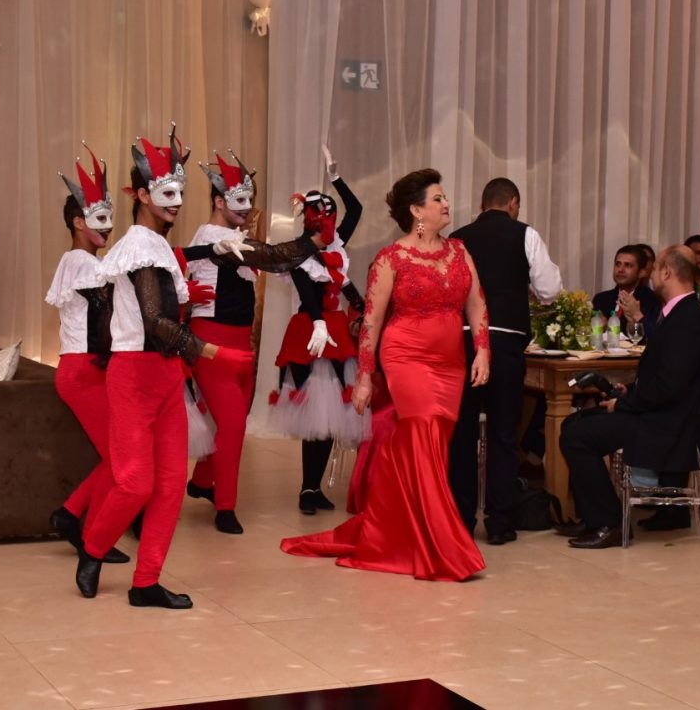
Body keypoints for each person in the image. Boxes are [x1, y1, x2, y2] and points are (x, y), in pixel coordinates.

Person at [281, 168, 489, 581]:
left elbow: (477, 304)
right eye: (438, 199)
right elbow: (372, 322)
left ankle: (397, 531)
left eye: (445, 197)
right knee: (423, 434)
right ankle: (441, 545)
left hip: (450, 363)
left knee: (432, 446)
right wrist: (364, 376)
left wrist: (483, 349)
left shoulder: (460, 251)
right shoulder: (392, 258)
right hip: (406, 356)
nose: (446, 204)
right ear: (416, 211)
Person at [76, 126, 250, 609]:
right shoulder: (139, 246)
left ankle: (146, 581)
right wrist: (212, 352)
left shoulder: (159, 247)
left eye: (180, 192)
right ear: (140, 195)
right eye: (166, 193)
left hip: (168, 375)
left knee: (171, 484)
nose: (176, 202)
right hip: (134, 375)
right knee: (136, 482)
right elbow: (155, 322)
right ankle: (92, 547)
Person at [183, 149, 326, 533]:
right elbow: (276, 257)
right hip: (212, 342)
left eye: (250, 199)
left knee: (233, 420)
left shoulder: (234, 238)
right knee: (232, 425)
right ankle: (225, 507)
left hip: (241, 343)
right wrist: (309, 239)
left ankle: (202, 482)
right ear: (219, 201)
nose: (247, 207)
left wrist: (317, 316)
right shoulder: (215, 237)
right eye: (239, 200)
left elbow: (279, 264)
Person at [560, 246, 700, 548]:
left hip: (670, 423)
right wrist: (629, 390)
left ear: (667, 272)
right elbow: (665, 375)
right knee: (573, 424)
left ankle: (609, 523)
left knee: (577, 435)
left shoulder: (689, 318)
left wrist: (624, 404)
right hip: (660, 412)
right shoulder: (681, 313)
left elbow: (670, 387)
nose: (651, 275)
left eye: (655, 269)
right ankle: (595, 516)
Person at [446, 177, 562, 545]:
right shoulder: (525, 234)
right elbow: (549, 290)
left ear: (482, 205)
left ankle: (461, 520)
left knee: (462, 434)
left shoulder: (456, 239)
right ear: (513, 203)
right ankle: (500, 523)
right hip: (506, 340)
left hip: (462, 340)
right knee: (503, 433)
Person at [271, 146, 369, 514]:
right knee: (317, 411)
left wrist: (336, 178)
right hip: (311, 330)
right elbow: (308, 295)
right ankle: (307, 487)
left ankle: (314, 488)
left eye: (330, 213)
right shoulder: (300, 252)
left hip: (336, 328)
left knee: (331, 418)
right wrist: (318, 323)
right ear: (309, 219)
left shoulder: (337, 244)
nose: (327, 219)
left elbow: (356, 209)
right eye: (321, 214)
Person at [46, 146, 129, 566]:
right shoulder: (82, 263)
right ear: (78, 222)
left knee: (116, 457)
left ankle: (71, 516)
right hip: (82, 371)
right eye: (99, 218)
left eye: (110, 218)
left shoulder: (84, 261)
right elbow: (111, 303)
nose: (108, 227)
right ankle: (81, 526)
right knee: (119, 459)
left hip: (87, 368)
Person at [594, 245, 661, 340]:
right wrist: (599, 329)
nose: (620, 270)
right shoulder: (601, 299)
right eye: (618, 264)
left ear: (641, 272)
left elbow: (653, 339)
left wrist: (634, 324)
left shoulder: (652, 301)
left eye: (628, 265)